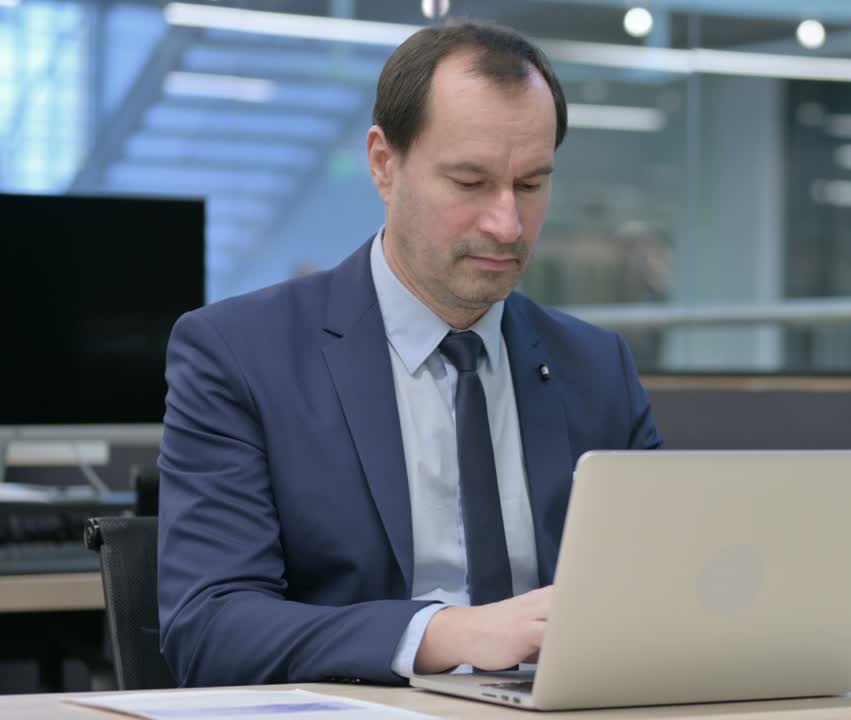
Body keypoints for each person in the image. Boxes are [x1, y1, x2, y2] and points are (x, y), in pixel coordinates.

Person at [157, 21, 663, 687]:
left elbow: (663, 592)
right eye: (470, 181)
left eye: (532, 184)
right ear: (383, 164)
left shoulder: (596, 367)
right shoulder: (240, 355)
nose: (506, 224)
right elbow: (210, 626)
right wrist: (445, 632)